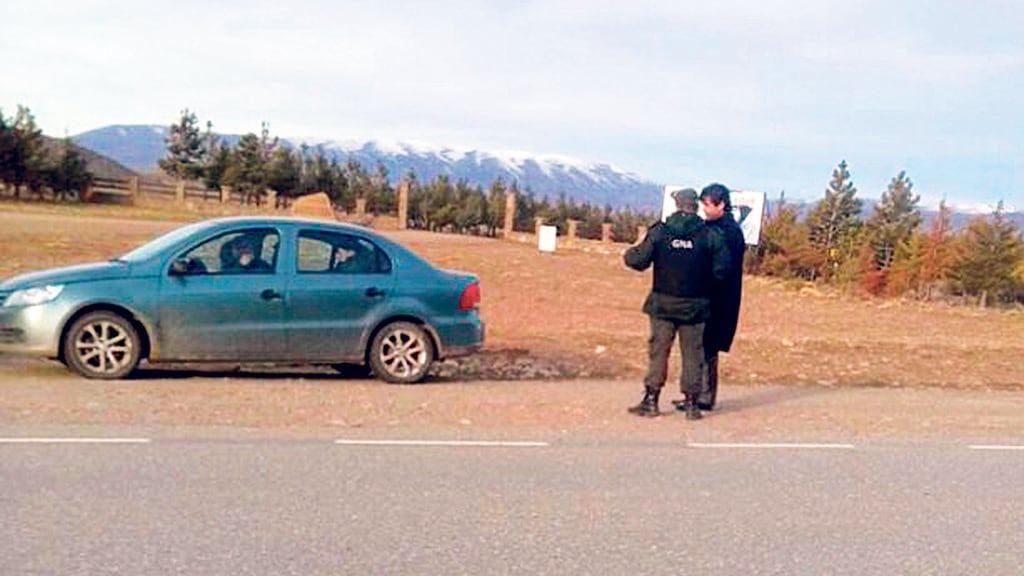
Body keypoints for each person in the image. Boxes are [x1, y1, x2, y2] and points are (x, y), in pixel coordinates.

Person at [623, 188, 731, 420]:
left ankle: (651, 400)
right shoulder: (710, 235)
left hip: (662, 303)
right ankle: (692, 405)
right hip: (696, 306)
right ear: (695, 206)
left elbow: (637, 260)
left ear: (677, 205)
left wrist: (632, 251)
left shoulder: (660, 232)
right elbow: (723, 269)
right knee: (693, 354)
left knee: (658, 352)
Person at [687, 183, 746, 411]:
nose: (704, 209)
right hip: (714, 294)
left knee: (708, 345)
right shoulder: (718, 227)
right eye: (703, 204)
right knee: (702, 346)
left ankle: (704, 396)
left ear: (721, 204)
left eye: (708, 205)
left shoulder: (727, 231)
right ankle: (698, 393)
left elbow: (722, 268)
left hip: (718, 297)